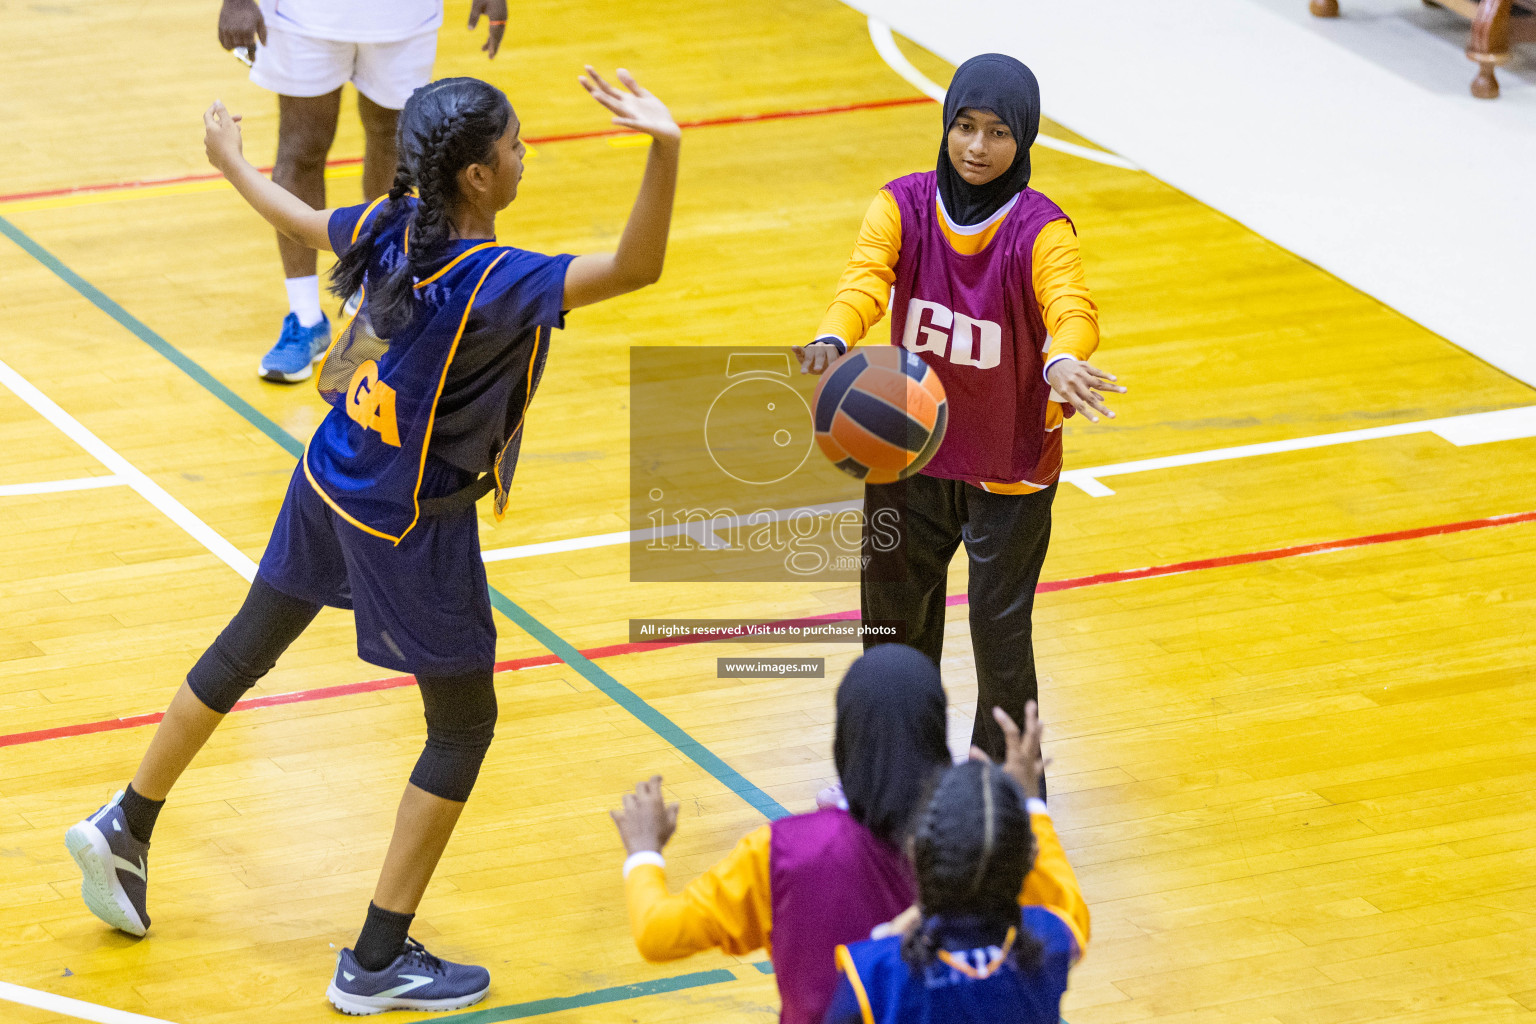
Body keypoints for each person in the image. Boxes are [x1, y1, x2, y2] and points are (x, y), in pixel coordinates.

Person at [64, 68, 680, 1015]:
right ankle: (377, 959)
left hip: (329, 472)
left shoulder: (396, 224)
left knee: (246, 645)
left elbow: (299, 216)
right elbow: (638, 270)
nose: (527, 156)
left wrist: (230, 161)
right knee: (464, 726)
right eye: (515, 145)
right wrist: (664, 147)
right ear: (474, 176)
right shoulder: (494, 279)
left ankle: (127, 821)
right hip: (408, 520)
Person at [793, 54, 1126, 771]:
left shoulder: (1042, 230)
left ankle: (1009, 791)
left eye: (998, 132)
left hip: (1007, 464)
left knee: (1000, 639)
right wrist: (832, 335)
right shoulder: (902, 204)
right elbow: (865, 279)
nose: (977, 147)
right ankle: (892, 774)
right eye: (964, 127)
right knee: (889, 627)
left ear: (1025, 139)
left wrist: (1063, 357)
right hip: (910, 446)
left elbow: (1071, 306)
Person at [609, 645, 954, 1024]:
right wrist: (1030, 812)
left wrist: (644, 853)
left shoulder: (785, 852)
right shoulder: (990, 838)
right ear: (936, 731)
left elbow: (658, 933)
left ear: (845, 739)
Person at [217, 0, 508, 383]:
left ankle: (377, 300)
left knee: (395, 144)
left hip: (404, 15)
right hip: (304, 15)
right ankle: (305, 318)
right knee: (301, 148)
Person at [823, 702, 1089, 1024]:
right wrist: (1031, 805)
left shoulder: (873, 972)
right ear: (1030, 858)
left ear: (914, 855)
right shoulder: (1055, 938)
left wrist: (888, 933)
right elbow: (1066, 904)